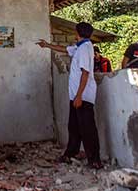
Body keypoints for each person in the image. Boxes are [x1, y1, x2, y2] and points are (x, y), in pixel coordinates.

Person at [38, 22, 102, 169]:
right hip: (76, 96)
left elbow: (85, 73)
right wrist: (47, 45)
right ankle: (70, 154)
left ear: (77, 33)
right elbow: (65, 50)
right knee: (74, 127)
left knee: (87, 129)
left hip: (83, 96)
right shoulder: (80, 47)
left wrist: (79, 96)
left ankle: (95, 160)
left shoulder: (86, 48)